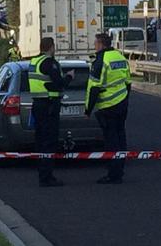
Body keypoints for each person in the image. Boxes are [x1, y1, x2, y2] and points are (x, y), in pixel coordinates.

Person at [85, 33, 131, 184]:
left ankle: (113, 174)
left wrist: (88, 110)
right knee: (121, 137)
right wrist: (125, 100)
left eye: (95, 43)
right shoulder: (120, 57)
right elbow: (128, 83)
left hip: (107, 106)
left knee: (111, 141)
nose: (94, 46)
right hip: (122, 103)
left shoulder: (100, 61)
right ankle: (120, 170)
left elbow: (94, 88)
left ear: (101, 44)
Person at [28, 37, 74, 187]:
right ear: (51, 47)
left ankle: (42, 173)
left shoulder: (34, 62)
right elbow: (58, 84)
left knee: (40, 140)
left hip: (38, 105)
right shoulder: (49, 63)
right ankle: (47, 177)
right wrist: (69, 77)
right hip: (49, 106)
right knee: (49, 141)